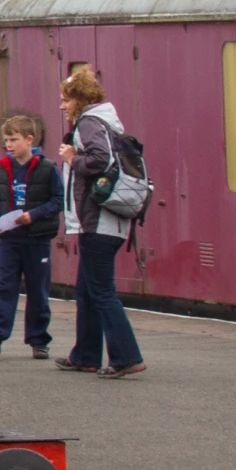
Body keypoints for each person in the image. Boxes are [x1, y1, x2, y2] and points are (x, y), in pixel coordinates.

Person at [56, 65, 146, 377]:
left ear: (79, 100)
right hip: (108, 222)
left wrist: (72, 159)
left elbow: (100, 160)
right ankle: (85, 354)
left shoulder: (89, 124)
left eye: (66, 100)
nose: (62, 106)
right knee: (87, 290)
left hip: (99, 222)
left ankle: (126, 357)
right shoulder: (106, 122)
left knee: (102, 291)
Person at [0, 112, 60, 359]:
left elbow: (56, 200)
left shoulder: (47, 168)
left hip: (37, 239)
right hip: (10, 239)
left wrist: (34, 215)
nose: (9, 145)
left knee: (37, 289)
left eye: (13, 139)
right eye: (7, 141)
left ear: (29, 139)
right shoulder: (3, 168)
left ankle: (38, 339)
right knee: (3, 285)